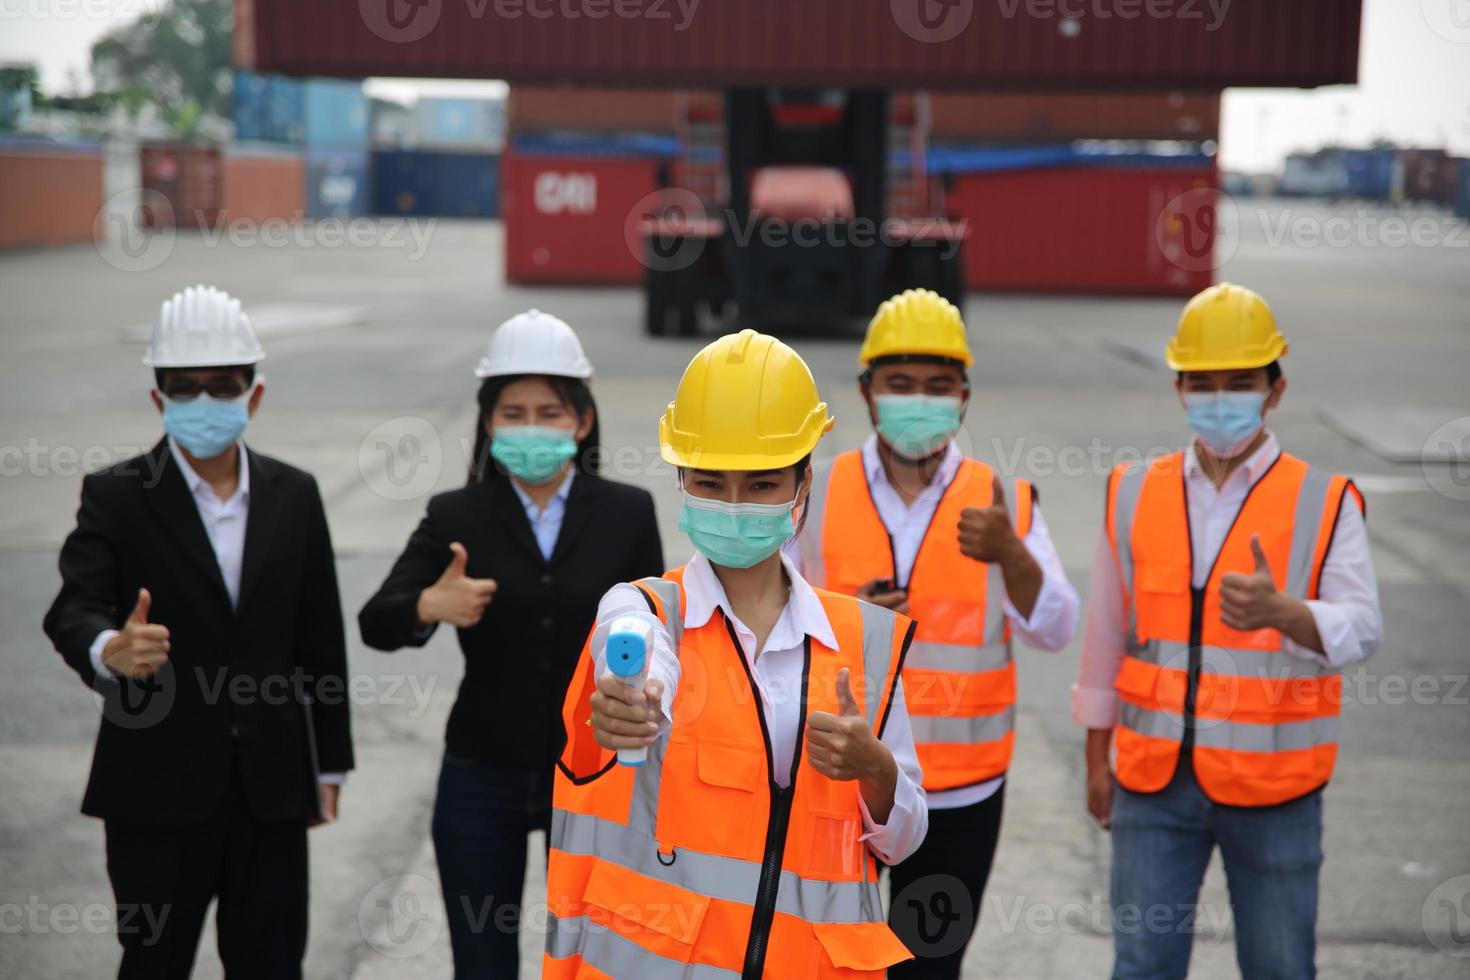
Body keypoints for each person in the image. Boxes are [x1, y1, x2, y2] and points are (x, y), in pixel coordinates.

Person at [545, 329, 929, 978]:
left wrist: (876, 769)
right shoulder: (643, 611)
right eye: (711, 482)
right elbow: (632, 658)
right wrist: (627, 699)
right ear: (681, 480)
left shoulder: (862, 640)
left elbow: (903, 840)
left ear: (803, 483)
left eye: (761, 484)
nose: (733, 505)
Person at [42, 284, 354, 979]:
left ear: (255, 394)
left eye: (223, 386)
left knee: (271, 964)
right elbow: (74, 608)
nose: (204, 402)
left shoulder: (294, 494)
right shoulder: (117, 494)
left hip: (271, 794)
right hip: (155, 793)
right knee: (154, 962)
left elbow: (319, 639)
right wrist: (109, 651)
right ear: (159, 400)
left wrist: (329, 765)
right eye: (185, 388)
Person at [1073, 282, 1383, 980]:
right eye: (1204, 383)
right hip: (1153, 780)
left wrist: (1288, 614)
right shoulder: (1132, 490)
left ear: (1275, 390)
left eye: (1240, 382)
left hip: (1275, 788)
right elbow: (1106, 638)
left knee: (1278, 968)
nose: (1220, 399)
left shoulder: (1323, 500)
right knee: (1143, 966)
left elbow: (1364, 626)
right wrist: (1098, 755)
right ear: (1179, 387)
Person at [358, 309, 663, 978]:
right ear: (488, 424)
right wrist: (426, 606)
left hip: (591, 770)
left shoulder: (627, 513)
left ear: (581, 421)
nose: (532, 428)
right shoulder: (455, 516)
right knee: (482, 959)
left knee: (592, 959)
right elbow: (375, 620)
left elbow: (655, 631)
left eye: (549, 412)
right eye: (513, 413)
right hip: (481, 771)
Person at [795, 288, 1080, 976]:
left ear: (963, 397)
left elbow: (1057, 627)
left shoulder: (1001, 499)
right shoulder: (818, 491)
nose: (918, 400)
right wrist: (849, 613)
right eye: (900, 385)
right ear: (866, 394)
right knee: (829, 962)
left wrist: (1012, 554)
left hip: (961, 793)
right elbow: (773, 614)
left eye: (937, 386)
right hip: (845, 781)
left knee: (929, 965)